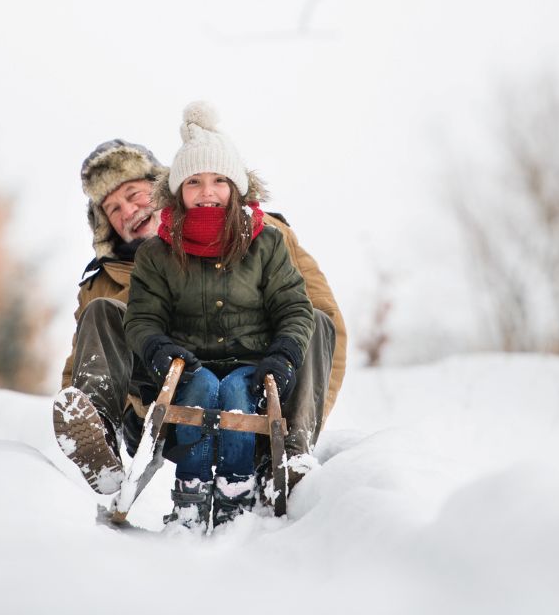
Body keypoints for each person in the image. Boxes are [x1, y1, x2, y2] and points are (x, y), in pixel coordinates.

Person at [52, 108, 346, 517]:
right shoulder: (105, 280)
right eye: (113, 209)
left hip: (258, 387)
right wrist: (86, 413)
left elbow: (317, 323)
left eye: (133, 194)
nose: (129, 211)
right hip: (158, 402)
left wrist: (297, 410)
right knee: (106, 313)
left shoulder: (267, 237)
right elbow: (84, 363)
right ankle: (101, 440)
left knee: (313, 320)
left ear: (159, 190)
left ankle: (291, 454)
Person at [124, 101, 314, 528]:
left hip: (252, 362)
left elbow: (294, 305)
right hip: (187, 361)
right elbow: (142, 316)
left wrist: (283, 353)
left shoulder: (264, 244)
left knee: (234, 394)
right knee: (202, 387)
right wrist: (157, 347)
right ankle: (190, 492)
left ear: (237, 188)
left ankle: (236, 489)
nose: (207, 192)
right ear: (178, 192)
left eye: (218, 181)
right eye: (194, 182)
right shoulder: (158, 252)